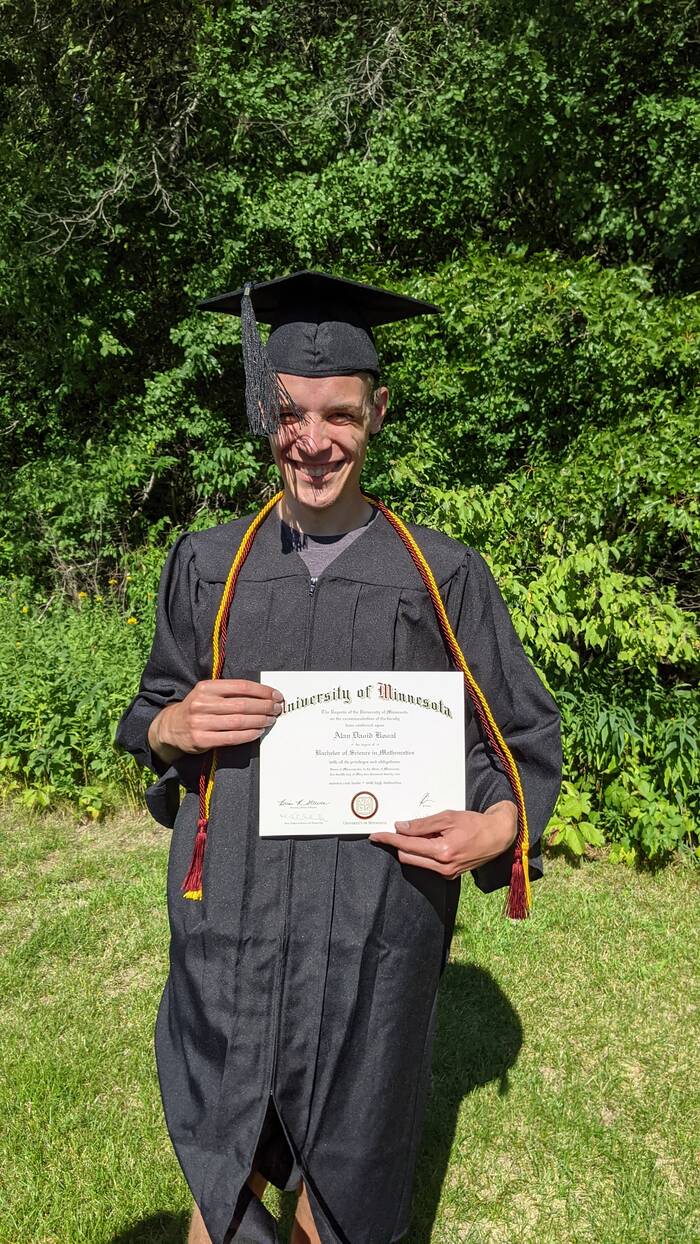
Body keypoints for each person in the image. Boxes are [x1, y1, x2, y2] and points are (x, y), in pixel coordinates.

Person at [115, 271, 562, 1244]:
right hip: (233, 918)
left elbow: (515, 737)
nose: (312, 440)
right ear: (263, 413)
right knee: (224, 1172)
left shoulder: (440, 574)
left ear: (377, 413)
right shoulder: (208, 564)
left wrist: (494, 826)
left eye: (339, 415)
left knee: (347, 1175)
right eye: (289, 413)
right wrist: (173, 725)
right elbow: (151, 712)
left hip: (376, 923)